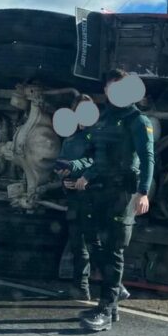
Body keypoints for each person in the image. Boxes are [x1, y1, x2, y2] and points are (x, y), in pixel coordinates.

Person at [75, 69, 154, 331]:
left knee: (114, 249)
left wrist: (143, 192)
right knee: (90, 238)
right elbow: (99, 154)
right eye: (111, 87)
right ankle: (115, 290)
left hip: (123, 193)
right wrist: (87, 175)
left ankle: (106, 310)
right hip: (99, 188)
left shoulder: (137, 120)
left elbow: (147, 158)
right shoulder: (104, 118)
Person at [56, 95, 129, 302]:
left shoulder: (97, 136)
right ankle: (80, 287)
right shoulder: (70, 137)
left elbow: (98, 163)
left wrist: (84, 177)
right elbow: (63, 162)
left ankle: (116, 286)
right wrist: (64, 178)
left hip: (92, 195)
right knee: (77, 243)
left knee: (92, 243)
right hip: (73, 195)